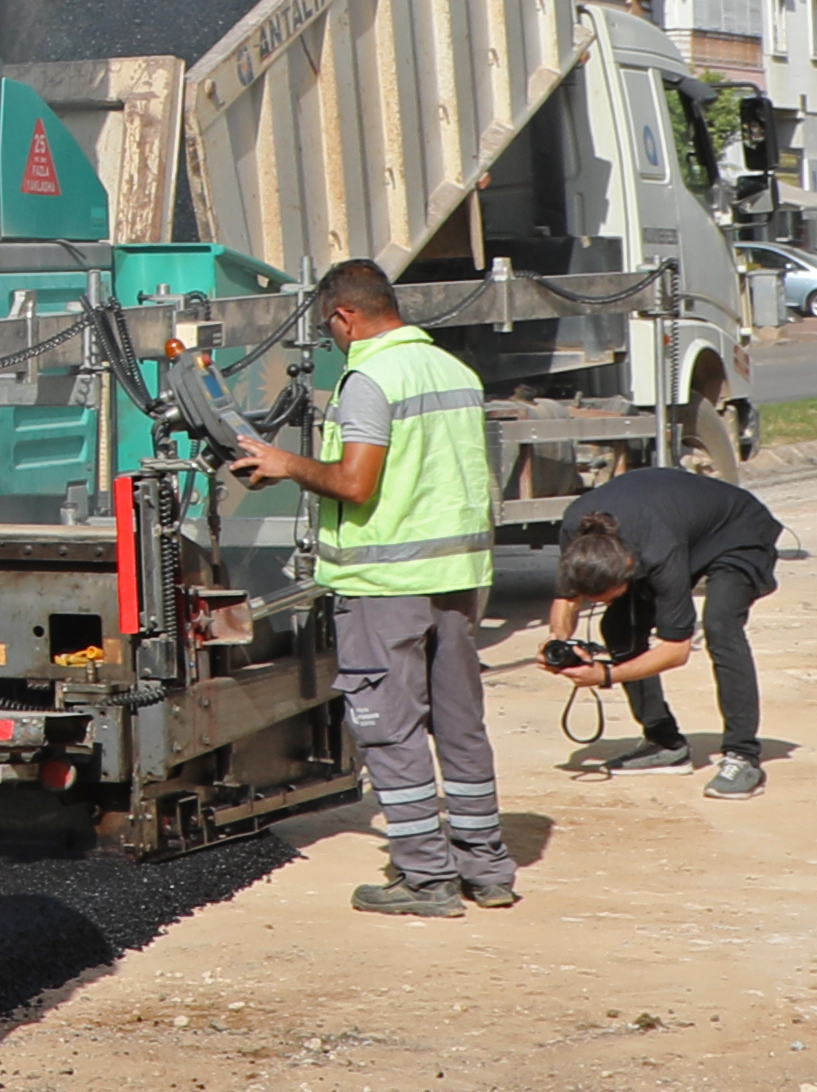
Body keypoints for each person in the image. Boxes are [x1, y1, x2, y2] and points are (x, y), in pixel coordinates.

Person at [231, 259, 508, 915]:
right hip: (459, 576)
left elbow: (357, 483)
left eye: (330, 327)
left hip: (387, 582)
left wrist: (285, 464)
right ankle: (487, 867)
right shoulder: (454, 371)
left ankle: (425, 879)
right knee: (461, 722)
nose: (332, 339)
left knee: (389, 726)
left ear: (344, 315)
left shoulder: (370, 377)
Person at [541, 463, 781, 797]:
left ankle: (743, 756)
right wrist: (558, 643)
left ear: (629, 569)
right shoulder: (576, 532)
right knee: (618, 624)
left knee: (721, 625)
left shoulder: (658, 552)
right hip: (673, 521)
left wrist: (607, 675)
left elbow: (676, 649)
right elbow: (566, 600)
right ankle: (664, 742)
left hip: (737, 531)